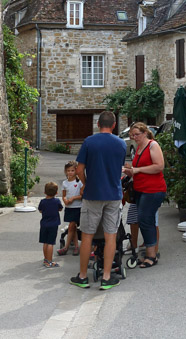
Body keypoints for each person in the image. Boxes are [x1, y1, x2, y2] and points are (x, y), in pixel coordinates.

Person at [70, 110, 126, 291]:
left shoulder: (89, 142)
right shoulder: (121, 144)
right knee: (111, 236)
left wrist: (86, 183)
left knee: (87, 236)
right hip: (113, 195)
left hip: (93, 194)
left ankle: (83, 276)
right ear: (114, 125)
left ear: (98, 124)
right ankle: (107, 277)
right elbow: (119, 169)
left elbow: (79, 170)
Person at [123, 121, 166, 268]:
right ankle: (150, 252)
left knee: (145, 219)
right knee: (144, 220)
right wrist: (130, 170)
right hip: (141, 189)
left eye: (136, 134)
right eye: (131, 135)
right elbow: (139, 168)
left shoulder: (153, 145)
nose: (134, 137)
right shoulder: (139, 147)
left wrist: (138, 170)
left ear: (145, 133)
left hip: (153, 190)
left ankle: (151, 255)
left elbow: (159, 166)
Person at [58, 161, 83, 256]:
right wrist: (65, 200)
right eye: (68, 171)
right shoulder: (65, 183)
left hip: (77, 207)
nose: (70, 172)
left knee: (72, 226)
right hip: (69, 207)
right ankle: (76, 246)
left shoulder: (79, 182)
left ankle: (66, 247)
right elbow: (64, 195)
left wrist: (73, 198)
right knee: (73, 227)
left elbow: (82, 195)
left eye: (72, 170)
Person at [38, 182, 62, 268]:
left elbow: (40, 210)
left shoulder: (43, 202)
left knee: (45, 242)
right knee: (50, 243)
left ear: (45, 192)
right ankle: (50, 261)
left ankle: (45, 259)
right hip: (53, 224)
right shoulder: (57, 201)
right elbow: (60, 208)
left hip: (44, 224)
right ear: (56, 192)